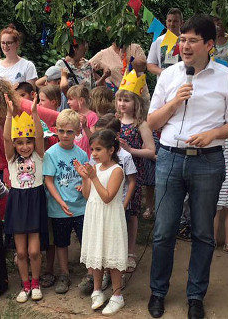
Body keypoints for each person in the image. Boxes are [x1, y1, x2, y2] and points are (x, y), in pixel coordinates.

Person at [146, 14, 228, 319]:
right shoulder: (169, 76)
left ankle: (195, 296)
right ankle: (158, 292)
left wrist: (213, 134)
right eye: (182, 40)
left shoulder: (225, 78)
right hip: (170, 158)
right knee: (163, 231)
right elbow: (151, 122)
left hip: (208, 161)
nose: (184, 46)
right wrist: (175, 102)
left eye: (191, 40)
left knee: (203, 232)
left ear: (209, 44)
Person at [75, 129, 127, 316]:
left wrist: (93, 177)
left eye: (98, 150)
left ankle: (117, 295)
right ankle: (97, 290)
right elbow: (88, 195)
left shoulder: (117, 171)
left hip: (110, 217)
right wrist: (84, 177)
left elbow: (107, 197)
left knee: (111, 255)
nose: (94, 154)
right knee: (97, 253)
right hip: (94, 215)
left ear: (111, 150)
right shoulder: (94, 168)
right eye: (92, 150)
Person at [2, 94, 46, 302]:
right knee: (21, 253)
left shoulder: (38, 155)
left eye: (27, 142)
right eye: (19, 143)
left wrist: (35, 114)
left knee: (34, 251)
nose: (24, 147)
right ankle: (25, 285)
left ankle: (36, 282)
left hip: (35, 200)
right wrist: (9, 116)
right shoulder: (12, 158)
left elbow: (39, 136)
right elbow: (5, 138)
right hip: (18, 202)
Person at [42, 109, 89, 295]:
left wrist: (82, 184)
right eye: (61, 131)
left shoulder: (82, 154)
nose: (65, 135)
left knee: (86, 239)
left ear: (78, 132)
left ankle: (91, 273)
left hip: (80, 206)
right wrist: (60, 201)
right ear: (56, 130)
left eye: (70, 131)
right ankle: (64, 274)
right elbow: (49, 180)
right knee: (61, 243)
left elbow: (86, 177)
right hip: (59, 208)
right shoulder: (51, 154)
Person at [115, 72, 156, 271]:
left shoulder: (141, 124)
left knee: (131, 212)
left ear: (136, 102)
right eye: (120, 99)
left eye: (127, 100)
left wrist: (131, 150)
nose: (122, 104)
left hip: (133, 175)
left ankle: (131, 252)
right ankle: (116, 250)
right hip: (113, 173)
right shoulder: (113, 121)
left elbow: (151, 150)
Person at [147, 8, 184, 76]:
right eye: (169, 21)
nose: (172, 24)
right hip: (164, 84)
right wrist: (165, 73)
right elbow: (150, 65)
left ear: (181, 23)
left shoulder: (186, 40)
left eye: (175, 21)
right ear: (166, 22)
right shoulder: (158, 41)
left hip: (182, 82)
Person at [67, 84, 98, 157]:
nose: (68, 102)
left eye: (71, 99)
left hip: (88, 156)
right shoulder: (72, 115)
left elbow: (94, 139)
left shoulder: (92, 116)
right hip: (74, 155)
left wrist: (84, 126)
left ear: (81, 100)